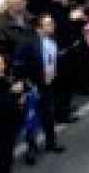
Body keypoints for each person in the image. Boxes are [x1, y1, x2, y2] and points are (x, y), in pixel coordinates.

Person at [9, 14, 65, 162]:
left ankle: (51, 143)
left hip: (48, 83)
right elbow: (18, 64)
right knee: (32, 117)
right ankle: (31, 149)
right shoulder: (28, 43)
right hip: (32, 85)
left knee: (48, 113)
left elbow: (53, 60)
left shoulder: (53, 40)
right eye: (47, 23)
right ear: (39, 28)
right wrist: (23, 83)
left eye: (52, 22)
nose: (52, 25)